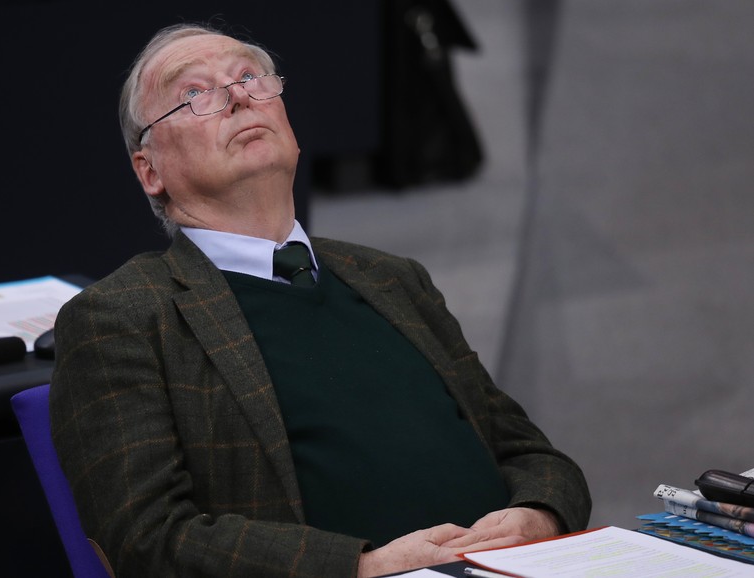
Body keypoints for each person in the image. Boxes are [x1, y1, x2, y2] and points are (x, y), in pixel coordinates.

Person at [49, 23, 591, 578]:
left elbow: (531, 453)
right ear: (150, 171)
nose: (237, 96)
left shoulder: (391, 277)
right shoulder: (122, 317)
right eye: (194, 95)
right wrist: (362, 567)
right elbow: (146, 540)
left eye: (249, 78)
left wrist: (539, 514)